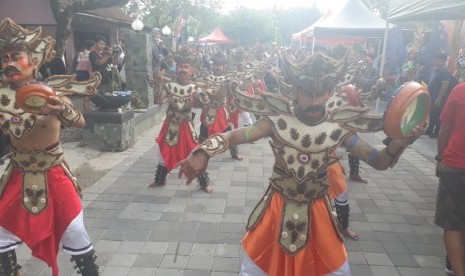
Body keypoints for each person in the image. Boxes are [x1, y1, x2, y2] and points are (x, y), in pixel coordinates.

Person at [178, 47, 425, 275]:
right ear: (296, 90)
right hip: (275, 208)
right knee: (255, 270)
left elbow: (378, 161)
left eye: (321, 93)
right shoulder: (276, 120)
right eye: (308, 93)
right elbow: (235, 135)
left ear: (330, 92)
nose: (315, 101)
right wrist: (203, 151)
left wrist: (400, 143)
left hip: (318, 213)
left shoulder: (338, 127)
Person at [0, 18, 100, 276]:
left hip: (53, 173)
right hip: (17, 173)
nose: (8, 63)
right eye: (5, 57)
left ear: (33, 62)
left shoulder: (53, 93)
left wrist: (62, 108)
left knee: (75, 229)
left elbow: (79, 122)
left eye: (16, 57)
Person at [149, 46, 213, 193]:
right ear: (175, 68)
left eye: (186, 67)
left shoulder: (196, 88)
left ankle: (204, 183)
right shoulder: (168, 85)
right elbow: (159, 100)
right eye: (180, 67)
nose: (183, 70)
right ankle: (160, 180)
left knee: (194, 152)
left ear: (191, 70)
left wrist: (200, 101)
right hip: (169, 124)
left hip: (186, 126)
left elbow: (202, 103)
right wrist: (159, 81)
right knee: (162, 151)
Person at [435, 82, 465, 276]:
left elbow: (444, 129)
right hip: (455, 165)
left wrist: (439, 158)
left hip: (455, 165)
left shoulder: (460, 90)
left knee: (452, 223)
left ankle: (457, 270)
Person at [198, 51, 242, 161]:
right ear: (213, 66)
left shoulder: (227, 79)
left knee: (228, 131)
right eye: (216, 65)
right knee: (203, 131)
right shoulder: (207, 78)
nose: (217, 67)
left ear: (223, 67)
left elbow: (234, 92)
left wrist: (234, 85)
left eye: (220, 65)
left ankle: (234, 153)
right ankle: (199, 154)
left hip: (221, 110)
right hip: (208, 109)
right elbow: (201, 90)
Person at [425, 52, 458, 138]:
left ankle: (436, 132)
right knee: (432, 113)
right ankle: (429, 130)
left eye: (437, 59)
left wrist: (439, 98)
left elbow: (445, 85)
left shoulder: (445, 72)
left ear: (442, 60)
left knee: (437, 114)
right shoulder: (436, 70)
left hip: (439, 97)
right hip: (432, 95)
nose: (435, 61)